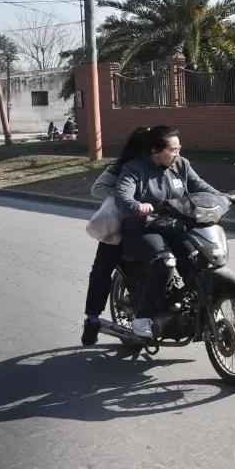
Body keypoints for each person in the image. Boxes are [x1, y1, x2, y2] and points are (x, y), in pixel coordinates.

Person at [113, 125, 235, 339]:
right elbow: (122, 195)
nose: (178, 154)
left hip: (174, 227)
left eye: (179, 149)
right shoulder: (135, 169)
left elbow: (200, 186)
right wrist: (136, 205)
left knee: (198, 259)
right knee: (165, 262)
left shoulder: (181, 165)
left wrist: (224, 197)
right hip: (143, 229)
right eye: (173, 150)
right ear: (155, 151)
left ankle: (200, 307)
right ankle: (142, 319)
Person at [80, 126, 151, 346]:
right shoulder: (120, 167)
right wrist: (124, 197)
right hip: (119, 228)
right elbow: (97, 188)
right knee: (102, 269)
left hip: (151, 226)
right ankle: (92, 319)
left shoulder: (164, 167)